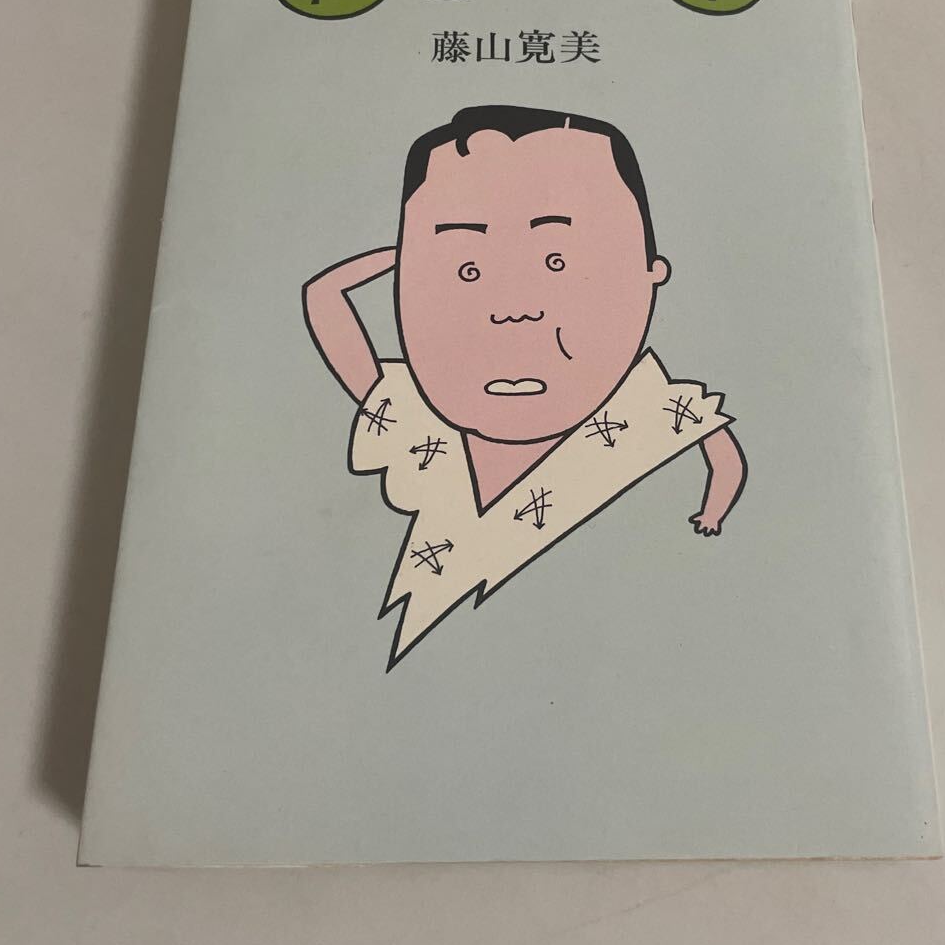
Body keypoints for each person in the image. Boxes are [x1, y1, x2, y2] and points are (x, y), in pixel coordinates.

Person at [304, 104, 746, 668]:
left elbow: (722, 458)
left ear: (650, 272)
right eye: (466, 267)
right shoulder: (406, 411)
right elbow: (324, 301)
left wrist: (712, 514)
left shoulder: (658, 415)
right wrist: (400, 257)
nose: (513, 307)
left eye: (556, 261)